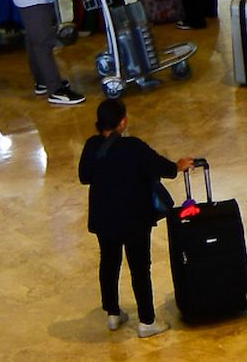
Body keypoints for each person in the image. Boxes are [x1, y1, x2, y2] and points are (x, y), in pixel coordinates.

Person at [78, 98, 188, 332]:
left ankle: (112, 313)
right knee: (139, 268)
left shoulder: (91, 146)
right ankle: (147, 321)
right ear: (123, 122)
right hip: (134, 219)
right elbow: (164, 168)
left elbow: (84, 177)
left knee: (109, 263)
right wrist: (179, 165)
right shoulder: (133, 147)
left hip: (104, 218)